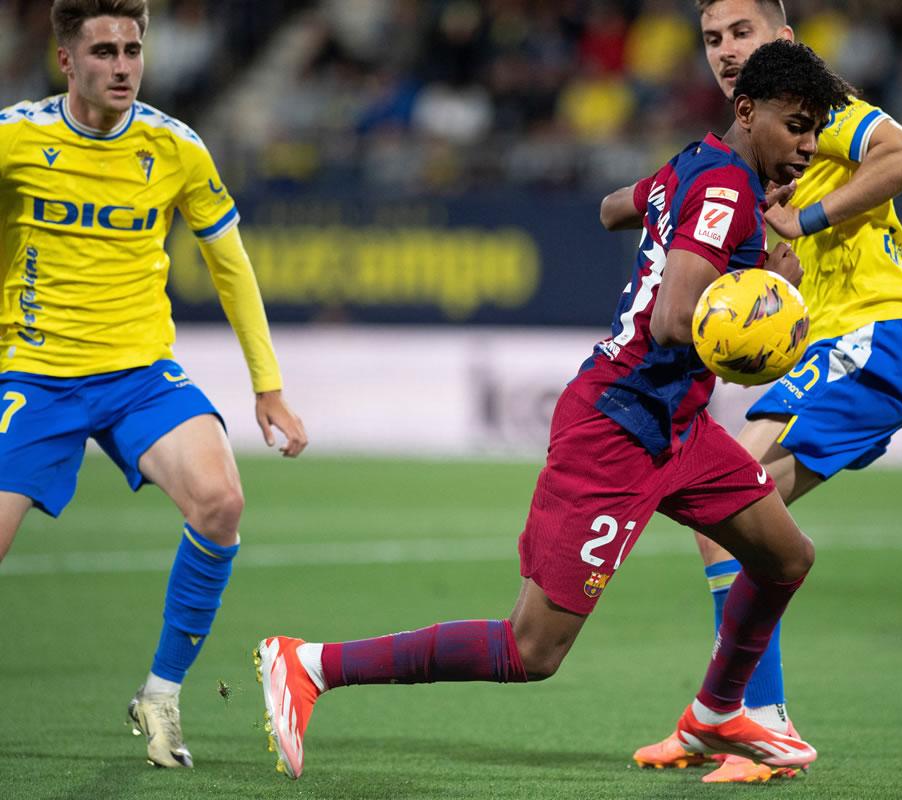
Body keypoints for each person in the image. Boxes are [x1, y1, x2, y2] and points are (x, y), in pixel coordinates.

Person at [254, 40, 852, 783]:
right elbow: (673, 320)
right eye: (796, 126)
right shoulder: (728, 190)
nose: (807, 147)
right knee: (530, 650)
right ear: (747, 111)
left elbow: (611, 209)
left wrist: (669, 220)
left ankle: (719, 711)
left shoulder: (694, 165)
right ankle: (312, 665)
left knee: (786, 555)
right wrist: (767, 286)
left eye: (815, 131)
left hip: (677, 427)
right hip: (619, 428)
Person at [614, 0, 902, 783]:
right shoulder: (755, 149)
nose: (727, 52)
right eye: (714, 40)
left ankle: (754, 722)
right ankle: (737, 720)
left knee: (727, 494)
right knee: (733, 524)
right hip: (840, 344)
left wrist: (809, 219)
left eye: (743, 34)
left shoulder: (825, 112)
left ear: (784, 40)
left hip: (877, 331)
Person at [0, 0, 307, 769]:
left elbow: (230, 265)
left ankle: (161, 696)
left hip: (140, 374)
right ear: (66, 60)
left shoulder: (175, 147)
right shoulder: (16, 139)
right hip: (35, 374)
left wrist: (266, 386)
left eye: (133, 47)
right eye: (103, 50)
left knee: (222, 500)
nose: (123, 64)